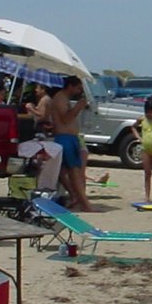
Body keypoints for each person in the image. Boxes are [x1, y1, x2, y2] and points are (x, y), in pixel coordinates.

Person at [50, 76, 92, 211]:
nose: (79, 91)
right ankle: (86, 205)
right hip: (65, 138)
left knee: (63, 172)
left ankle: (75, 197)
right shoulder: (60, 98)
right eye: (78, 88)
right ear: (70, 86)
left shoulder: (64, 99)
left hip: (70, 138)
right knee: (75, 173)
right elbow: (65, 119)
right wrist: (78, 107)